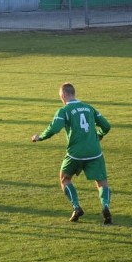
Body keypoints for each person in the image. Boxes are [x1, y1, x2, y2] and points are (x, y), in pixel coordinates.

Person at [31, 82, 113, 224]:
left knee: (64, 178)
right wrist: (99, 134)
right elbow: (106, 125)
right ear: (73, 93)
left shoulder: (64, 110)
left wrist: (40, 137)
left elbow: (54, 128)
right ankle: (105, 206)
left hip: (75, 153)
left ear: (63, 95)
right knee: (102, 182)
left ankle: (76, 207)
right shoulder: (89, 107)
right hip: (95, 152)